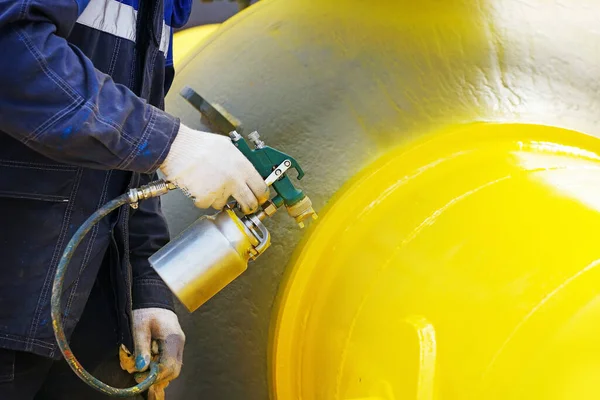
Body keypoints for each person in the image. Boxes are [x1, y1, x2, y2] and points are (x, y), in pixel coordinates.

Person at [0, 0, 270, 399]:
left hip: (78, 307)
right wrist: (167, 142)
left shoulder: (160, 8)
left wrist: (145, 288)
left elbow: (125, 161)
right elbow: (11, 49)